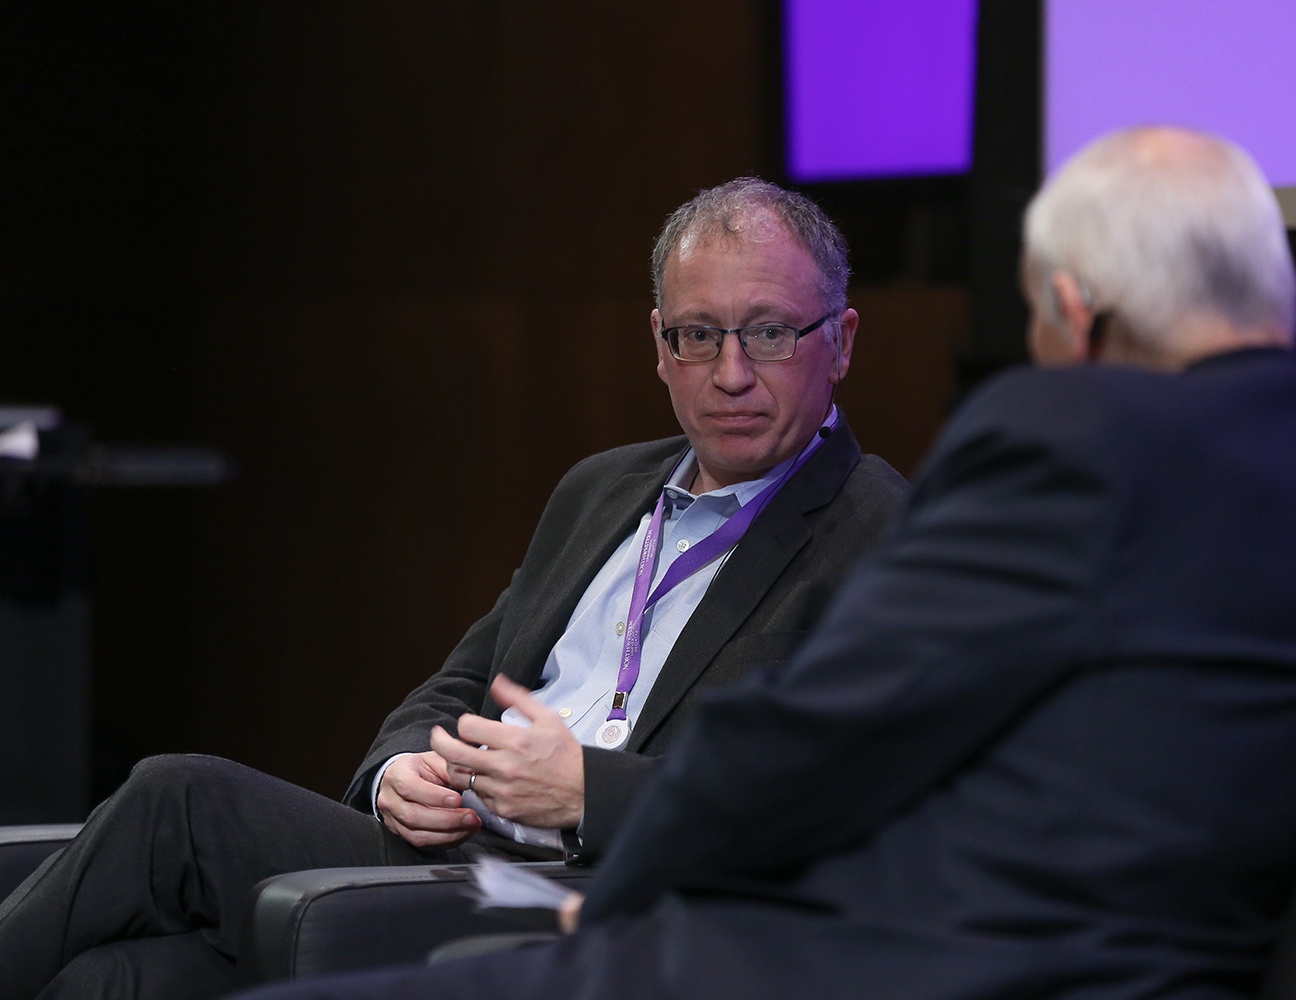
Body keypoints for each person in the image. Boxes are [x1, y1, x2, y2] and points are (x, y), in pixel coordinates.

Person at [240, 126, 1296, 1000]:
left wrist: (608, 853)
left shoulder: (1066, 440)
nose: (731, 369)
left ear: (1078, 312)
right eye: (698, 337)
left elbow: (820, 738)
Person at [0, 178, 908, 1000]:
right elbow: (454, 688)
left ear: (842, 341)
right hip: (448, 852)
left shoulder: (883, 537)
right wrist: (397, 770)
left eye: (771, 332)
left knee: (176, 796)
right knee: (120, 979)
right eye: (699, 335)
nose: (732, 373)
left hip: (607, 895)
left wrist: (590, 791)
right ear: (660, 346)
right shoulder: (602, 489)